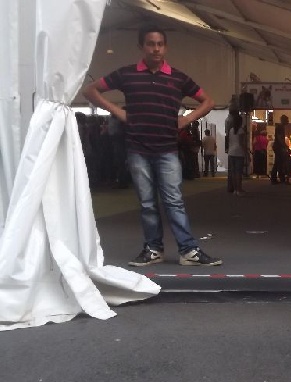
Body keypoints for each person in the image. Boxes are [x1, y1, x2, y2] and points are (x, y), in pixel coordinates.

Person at [82, 23, 222, 267]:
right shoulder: (126, 74)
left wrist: (186, 119)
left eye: (160, 44)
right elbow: (90, 91)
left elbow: (208, 101)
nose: (156, 49)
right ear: (141, 47)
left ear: (165, 47)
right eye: (150, 44)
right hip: (138, 149)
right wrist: (118, 112)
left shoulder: (178, 78)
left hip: (167, 149)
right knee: (147, 204)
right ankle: (153, 249)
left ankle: (188, 251)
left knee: (174, 201)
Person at [227, 115, 247, 196]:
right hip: (239, 152)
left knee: (233, 172)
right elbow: (242, 143)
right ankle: (239, 189)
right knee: (239, 172)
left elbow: (229, 141)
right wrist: (246, 153)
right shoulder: (241, 130)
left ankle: (235, 189)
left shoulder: (231, 130)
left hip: (231, 152)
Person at [270, 117, 291, 185]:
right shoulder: (280, 128)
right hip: (278, 147)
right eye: (287, 120)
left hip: (278, 147)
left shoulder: (280, 127)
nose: (288, 122)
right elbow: (280, 139)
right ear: (283, 120)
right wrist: (285, 147)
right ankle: (279, 179)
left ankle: (276, 178)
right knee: (279, 163)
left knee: (278, 163)